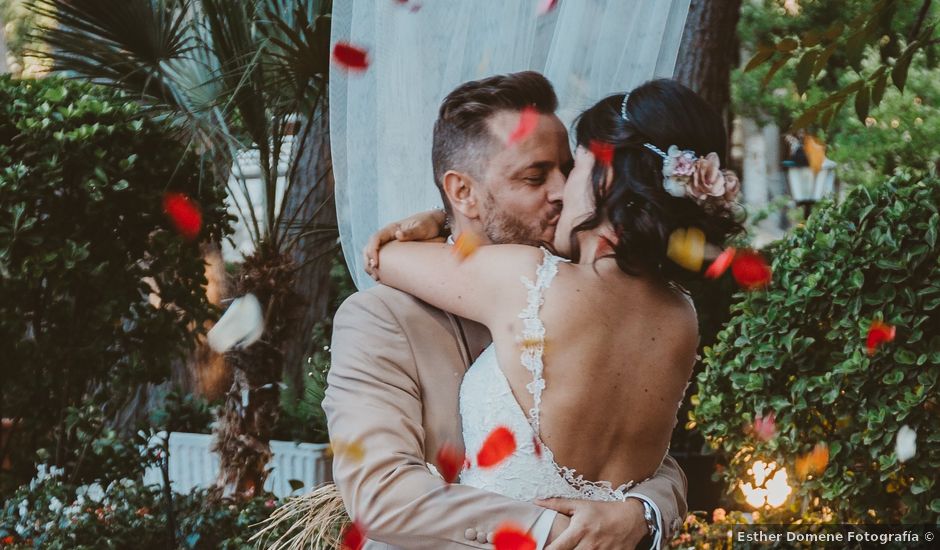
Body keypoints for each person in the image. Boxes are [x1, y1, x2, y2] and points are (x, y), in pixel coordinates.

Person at [364, 77, 745, 548]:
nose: (563, 191)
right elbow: (659, 468)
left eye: (576, 167)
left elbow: (385, 257)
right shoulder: (680, 316)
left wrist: (444, 215)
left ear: (607, 179)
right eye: (539, 176)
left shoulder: (529, 281)